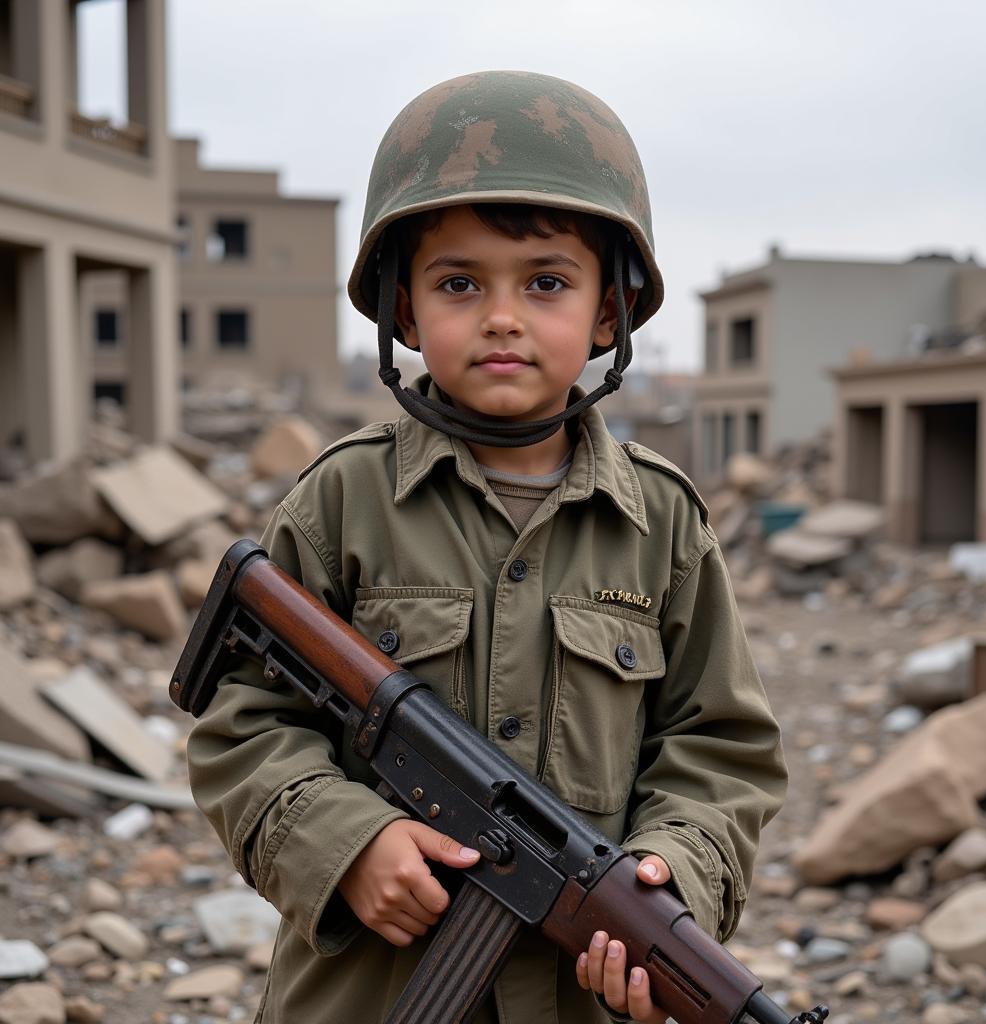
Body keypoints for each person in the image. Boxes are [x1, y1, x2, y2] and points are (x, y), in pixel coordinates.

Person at [186, 71, 787, 1024]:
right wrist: (346, 842)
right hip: (367, 993)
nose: (502, 316)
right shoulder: (343, 498)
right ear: (406, 311)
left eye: (546, 282)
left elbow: (722, 746)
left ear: (607, 313)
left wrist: (674, 872)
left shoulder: (662, 522)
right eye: (458, 282)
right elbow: (241, 724)